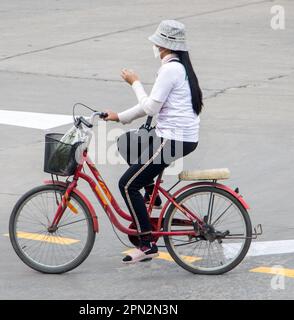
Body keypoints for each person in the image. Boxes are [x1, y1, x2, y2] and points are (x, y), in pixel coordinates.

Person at [104, 20, 203, 263]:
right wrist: (120, 117)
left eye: (157, 42)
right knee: (128, 143)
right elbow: (152, 106)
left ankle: (147, 243)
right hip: (176, 136)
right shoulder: (179, 67)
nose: (155, 46)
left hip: (173, 139)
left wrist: (135, 82)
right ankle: (152, 196)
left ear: (163, 45)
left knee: (127, 185)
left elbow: (150, 106)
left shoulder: (170, 69)